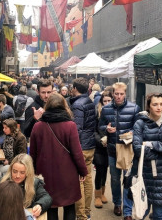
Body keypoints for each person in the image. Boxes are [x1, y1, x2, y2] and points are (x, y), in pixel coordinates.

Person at [30, 93, 88, 220]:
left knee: (49, 205)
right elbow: (77, 152)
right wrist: (83, 171)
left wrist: (33, 172)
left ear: (47, 106)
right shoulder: (70, 125)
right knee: (69, 206)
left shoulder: (38, 126)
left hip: (44, 174)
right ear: (64, 106)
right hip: (67, 174)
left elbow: (32, 153)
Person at [133, 93, 162, 220]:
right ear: (148, 106)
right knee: (141, 211)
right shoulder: (140, 124)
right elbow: (138, 149)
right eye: (155, 104)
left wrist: (150, 144)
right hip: (144, 172)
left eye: (161, 104)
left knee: (159, 213)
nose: (159, 107)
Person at [99, 82, 140, 220]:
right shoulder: (106, 109)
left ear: (125, 94)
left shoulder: (134, 108)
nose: (118, 96)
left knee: (128, 179)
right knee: (115, 179)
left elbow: (139, 128)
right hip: (112, 149)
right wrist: (106, 128)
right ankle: (117, 203)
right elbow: (100, 126)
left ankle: (127, 210)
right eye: (116, 94)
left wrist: (131, 132)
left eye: (121, 94)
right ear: (113, 93)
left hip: (128, 149)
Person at [0, 154, 52, 219]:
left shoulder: (34, 182)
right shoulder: (2, 181)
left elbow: (46, 197)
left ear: (28, 172)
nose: (17, 176)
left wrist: (40, 205)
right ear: (10, 170)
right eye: (14, 171)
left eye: (22, 172)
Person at [69, 77, 96, 220]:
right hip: (90, 145)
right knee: (87, 179)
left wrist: (74, 148)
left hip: (81, 147)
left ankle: (81, 215)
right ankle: (87, 211)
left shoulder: (78, 104)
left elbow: (76, 129)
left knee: (79, 180)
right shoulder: (89, 101)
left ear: (75, 88)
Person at [93, 91, 112, 209]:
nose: (107, 103)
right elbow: (93, 130)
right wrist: (100, 140)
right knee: (99, 170)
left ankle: (103, 193)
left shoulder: (114, 113)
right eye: (105, 101)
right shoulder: (97, 114)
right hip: (99, 146)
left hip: (110, 147)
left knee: (105, 170)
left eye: (109, 100)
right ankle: (97, 196)